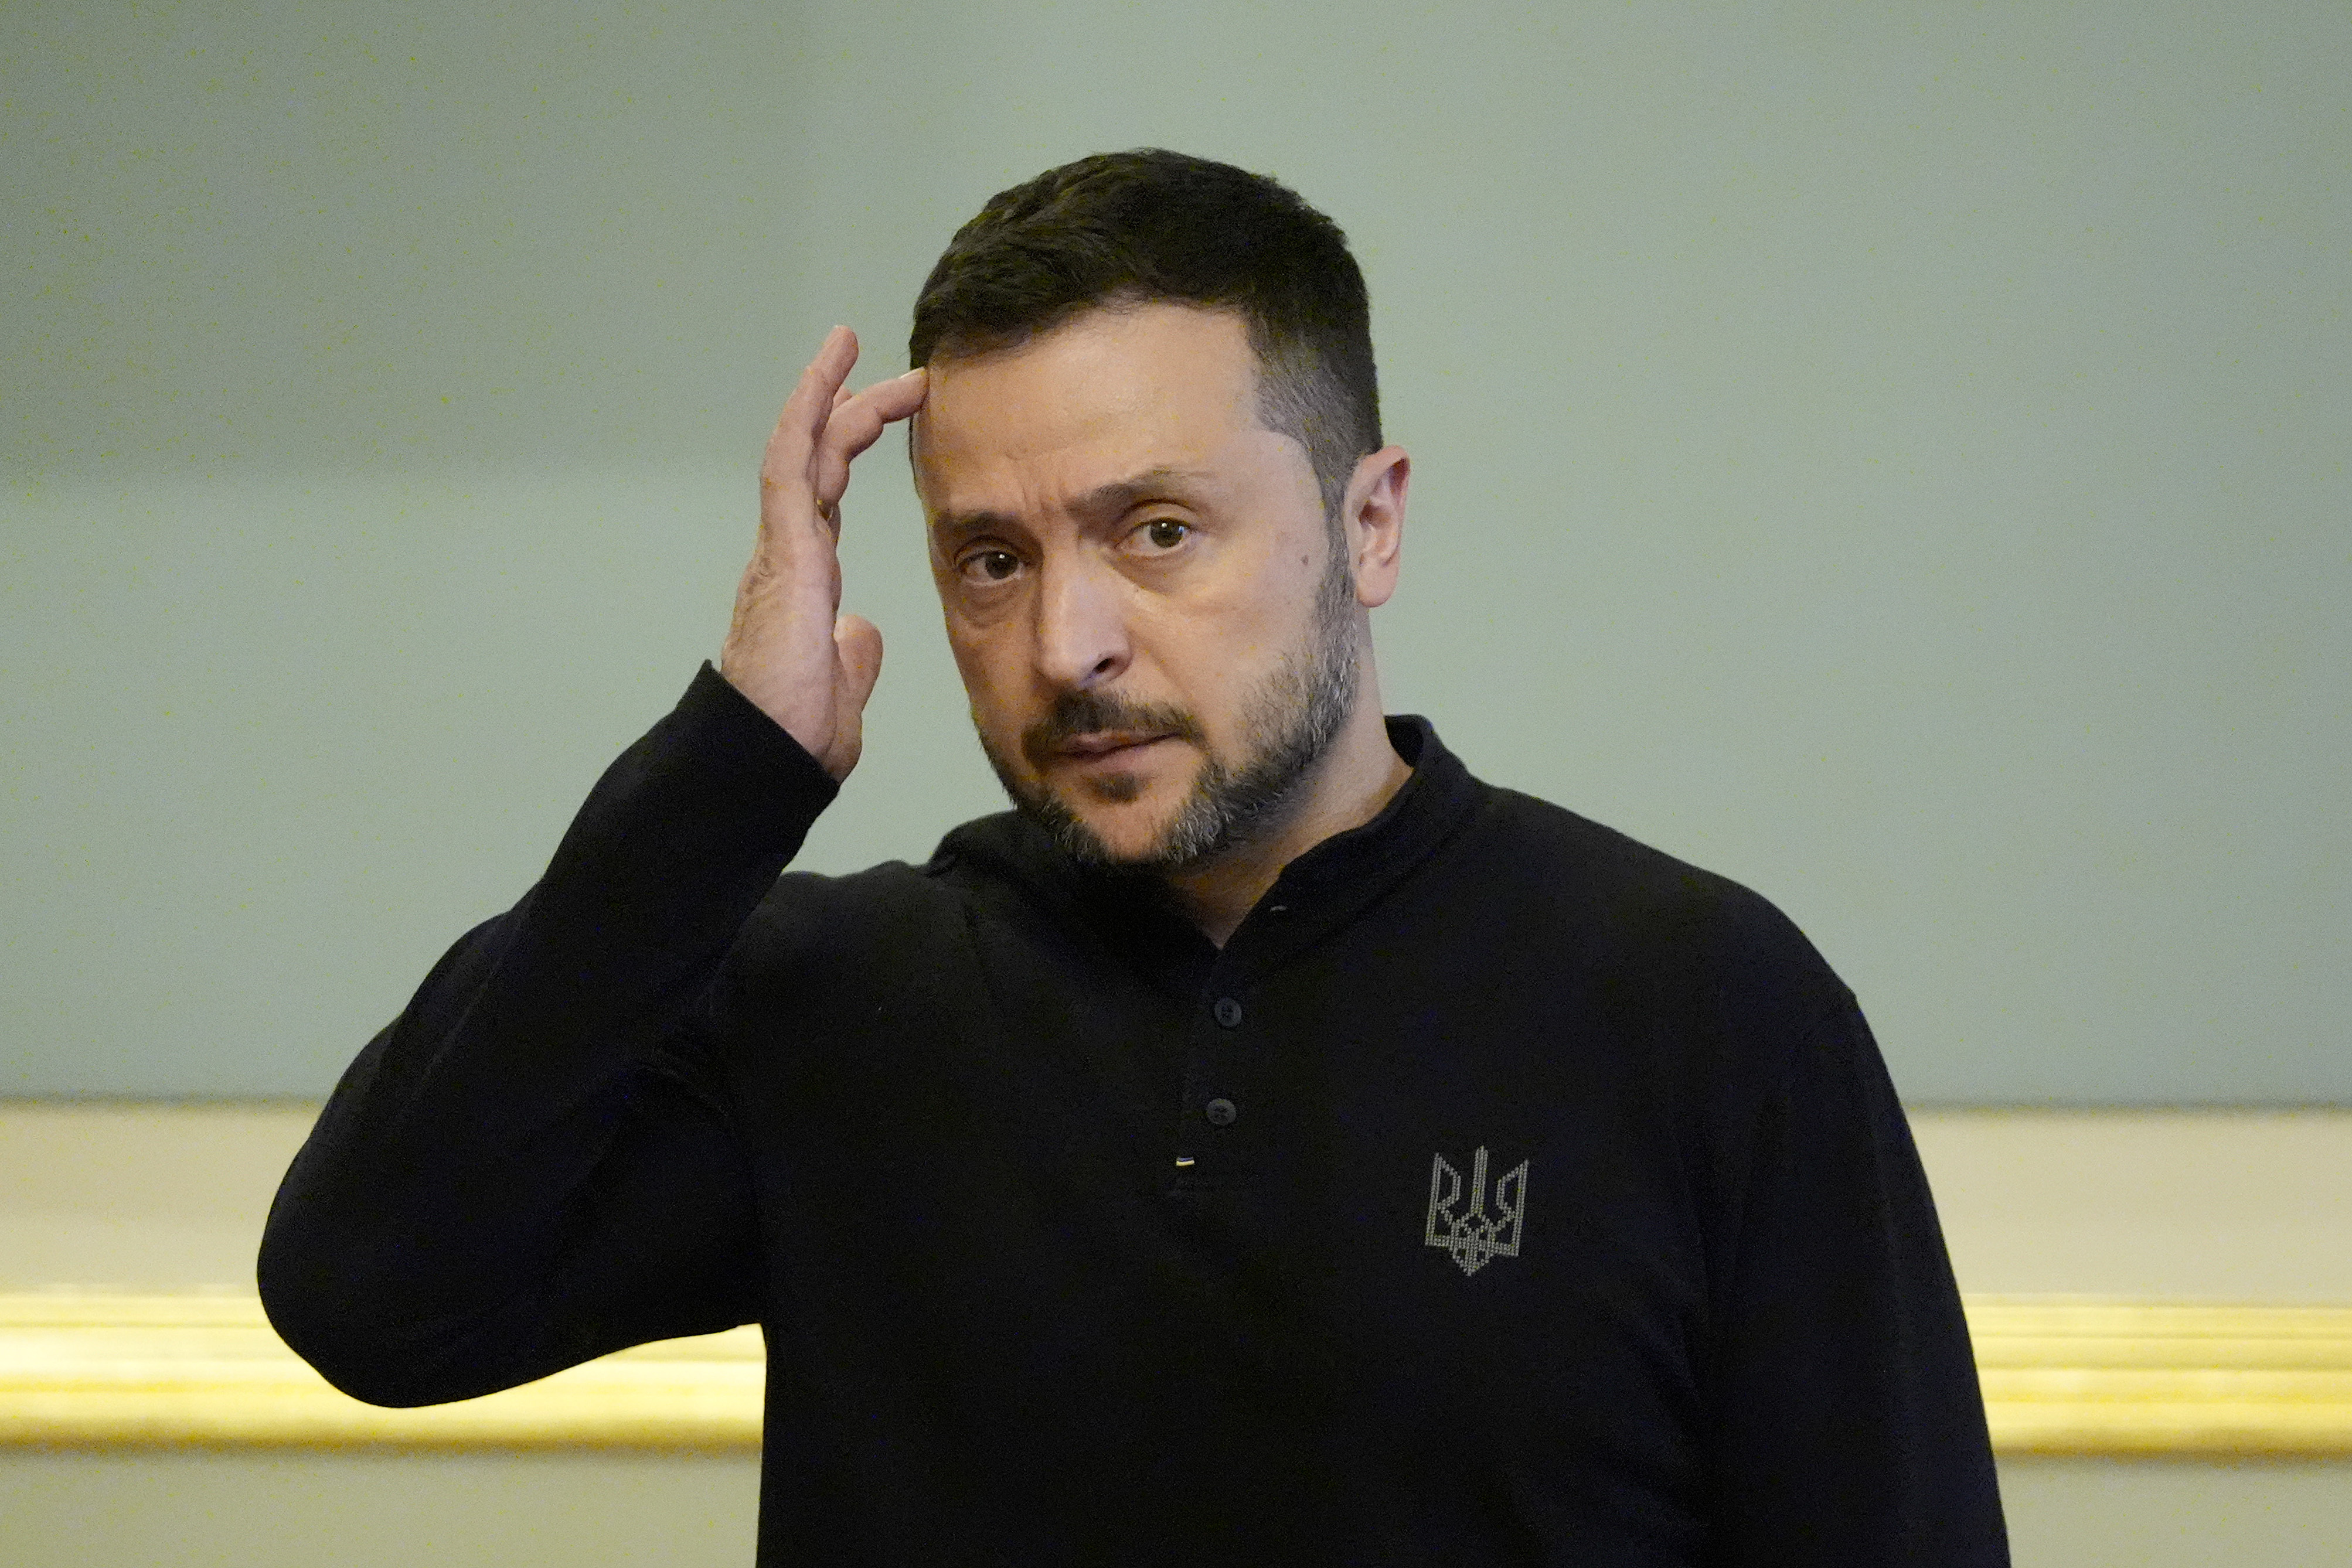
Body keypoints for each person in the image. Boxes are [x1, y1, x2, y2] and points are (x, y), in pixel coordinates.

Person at [260, 149, 2009, 1564]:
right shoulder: (839, 1002)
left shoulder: (1694, 1004)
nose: (1068, 639)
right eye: (991, 560)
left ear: (1369, 519)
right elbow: (372, 1292)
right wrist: (728, 770)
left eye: (1156, 531)